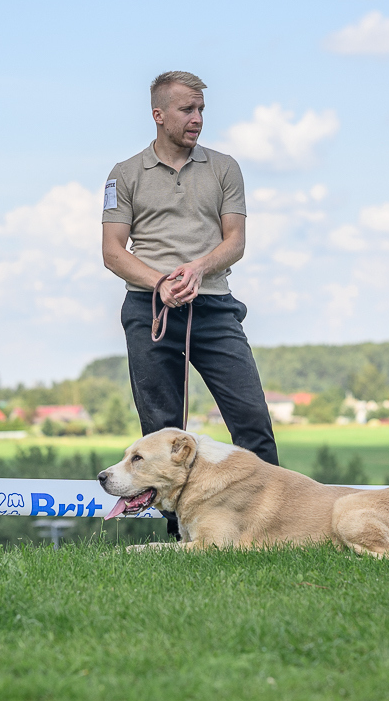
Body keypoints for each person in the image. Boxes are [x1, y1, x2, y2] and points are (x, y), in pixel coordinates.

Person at [101, 70, 279, 539]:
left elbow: (235, 241)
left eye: (201, 109)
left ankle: (275, 527)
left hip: (215, 306)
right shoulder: (124, 174)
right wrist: (160, 282)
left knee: (251, 419)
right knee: (160, 429)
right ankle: (182, 536)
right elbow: (113, 252)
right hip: (149, 310)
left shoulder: (224, 168)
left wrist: (197, 269)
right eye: (187, 109)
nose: (197, 118)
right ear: (158, 115)